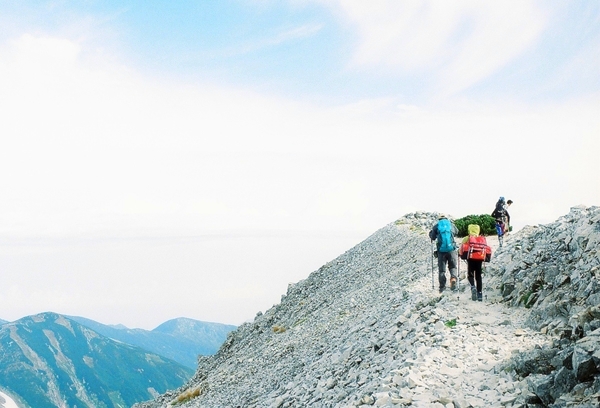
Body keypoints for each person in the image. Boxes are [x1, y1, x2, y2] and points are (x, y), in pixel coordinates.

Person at [459, 224, 492, 302]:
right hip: (480, 259)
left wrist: (459, 254)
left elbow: (461, 249)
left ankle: (473, 286)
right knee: (478, 276)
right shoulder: (482, 239)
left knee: (470, 275)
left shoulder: (467, 238)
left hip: (470, 259)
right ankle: (480, 294)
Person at [429, 215, 459, 293]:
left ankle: (442, 287)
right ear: (446, 219)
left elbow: (432, 237)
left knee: (442, 270)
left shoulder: (437, 226)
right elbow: (457, 232)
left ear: (439, 219)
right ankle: (453, 278)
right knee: (453, 266)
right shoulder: (451, 225)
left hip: (441, 251)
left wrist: (431, 233)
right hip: (451, 249)